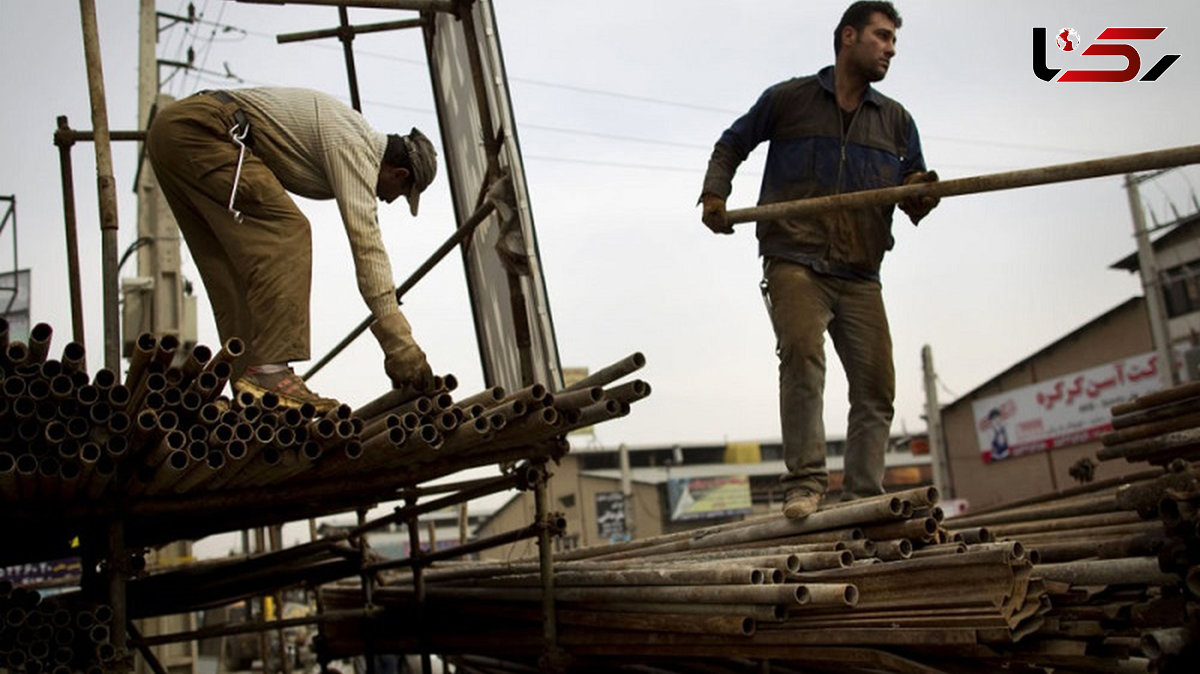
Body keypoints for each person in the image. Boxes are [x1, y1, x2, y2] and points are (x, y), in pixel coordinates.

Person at [699, 1, 940, 519]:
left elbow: (912, 191)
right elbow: (731, 144)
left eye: (894, 42)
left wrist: (921, 192)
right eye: (881, 37)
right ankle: (805, 484)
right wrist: (715, 197)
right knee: (803, 359)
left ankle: (862, 498)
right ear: (848, 37)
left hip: (860, 272)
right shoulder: (790, 100)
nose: (890, 49)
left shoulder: (896, 121)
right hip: (795, 258)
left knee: (877, 388)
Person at [147, 87, 438, 413]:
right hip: (207, 132)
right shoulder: (357, 149)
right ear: (399, 173)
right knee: (289, 232)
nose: (390, 200)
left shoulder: (348, 134)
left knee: (233, 268)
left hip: (173, 134)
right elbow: (367, 245)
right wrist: (399, 342)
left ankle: (250, 387)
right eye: (401, 192)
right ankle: (269, 372)